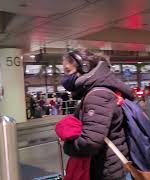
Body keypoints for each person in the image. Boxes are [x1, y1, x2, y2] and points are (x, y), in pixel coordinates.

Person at [61, 49, 135, 180]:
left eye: (67, 71)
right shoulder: (101, 90)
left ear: (84, 68)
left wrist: (67, 146)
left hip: (107, 171)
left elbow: (91, 142)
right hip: (112, 168)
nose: (65, 77)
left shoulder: (97, 95)